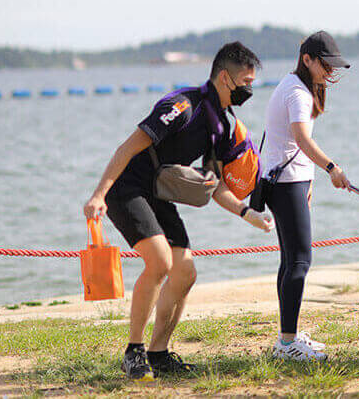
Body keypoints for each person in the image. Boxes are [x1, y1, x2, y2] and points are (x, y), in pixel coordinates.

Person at [83, 42, 274, 381]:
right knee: (159, 262)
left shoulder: (224, 125)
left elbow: (217, 187)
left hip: (158, 194)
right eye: (246, 82)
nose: (249, 89)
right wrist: (99, 194)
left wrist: (249, 214)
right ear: (225, 79)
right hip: (127, 189)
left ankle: (158, 353)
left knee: (185, 273)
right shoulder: (182, 106)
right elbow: (127, 147)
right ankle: (134, 352)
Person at [262, 31, 352, 362]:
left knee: (290, 261)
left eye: (333, 65)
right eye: (325, 64)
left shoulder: (293, 86)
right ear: (307, 60)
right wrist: (331, 167)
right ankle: (287, 344)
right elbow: (300, 138)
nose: (330, 71)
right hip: (287, 184)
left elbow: (288, 142)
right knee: (300, 262)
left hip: (289, 182)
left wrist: (310, 180)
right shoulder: (298, 93)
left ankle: (288, 336)